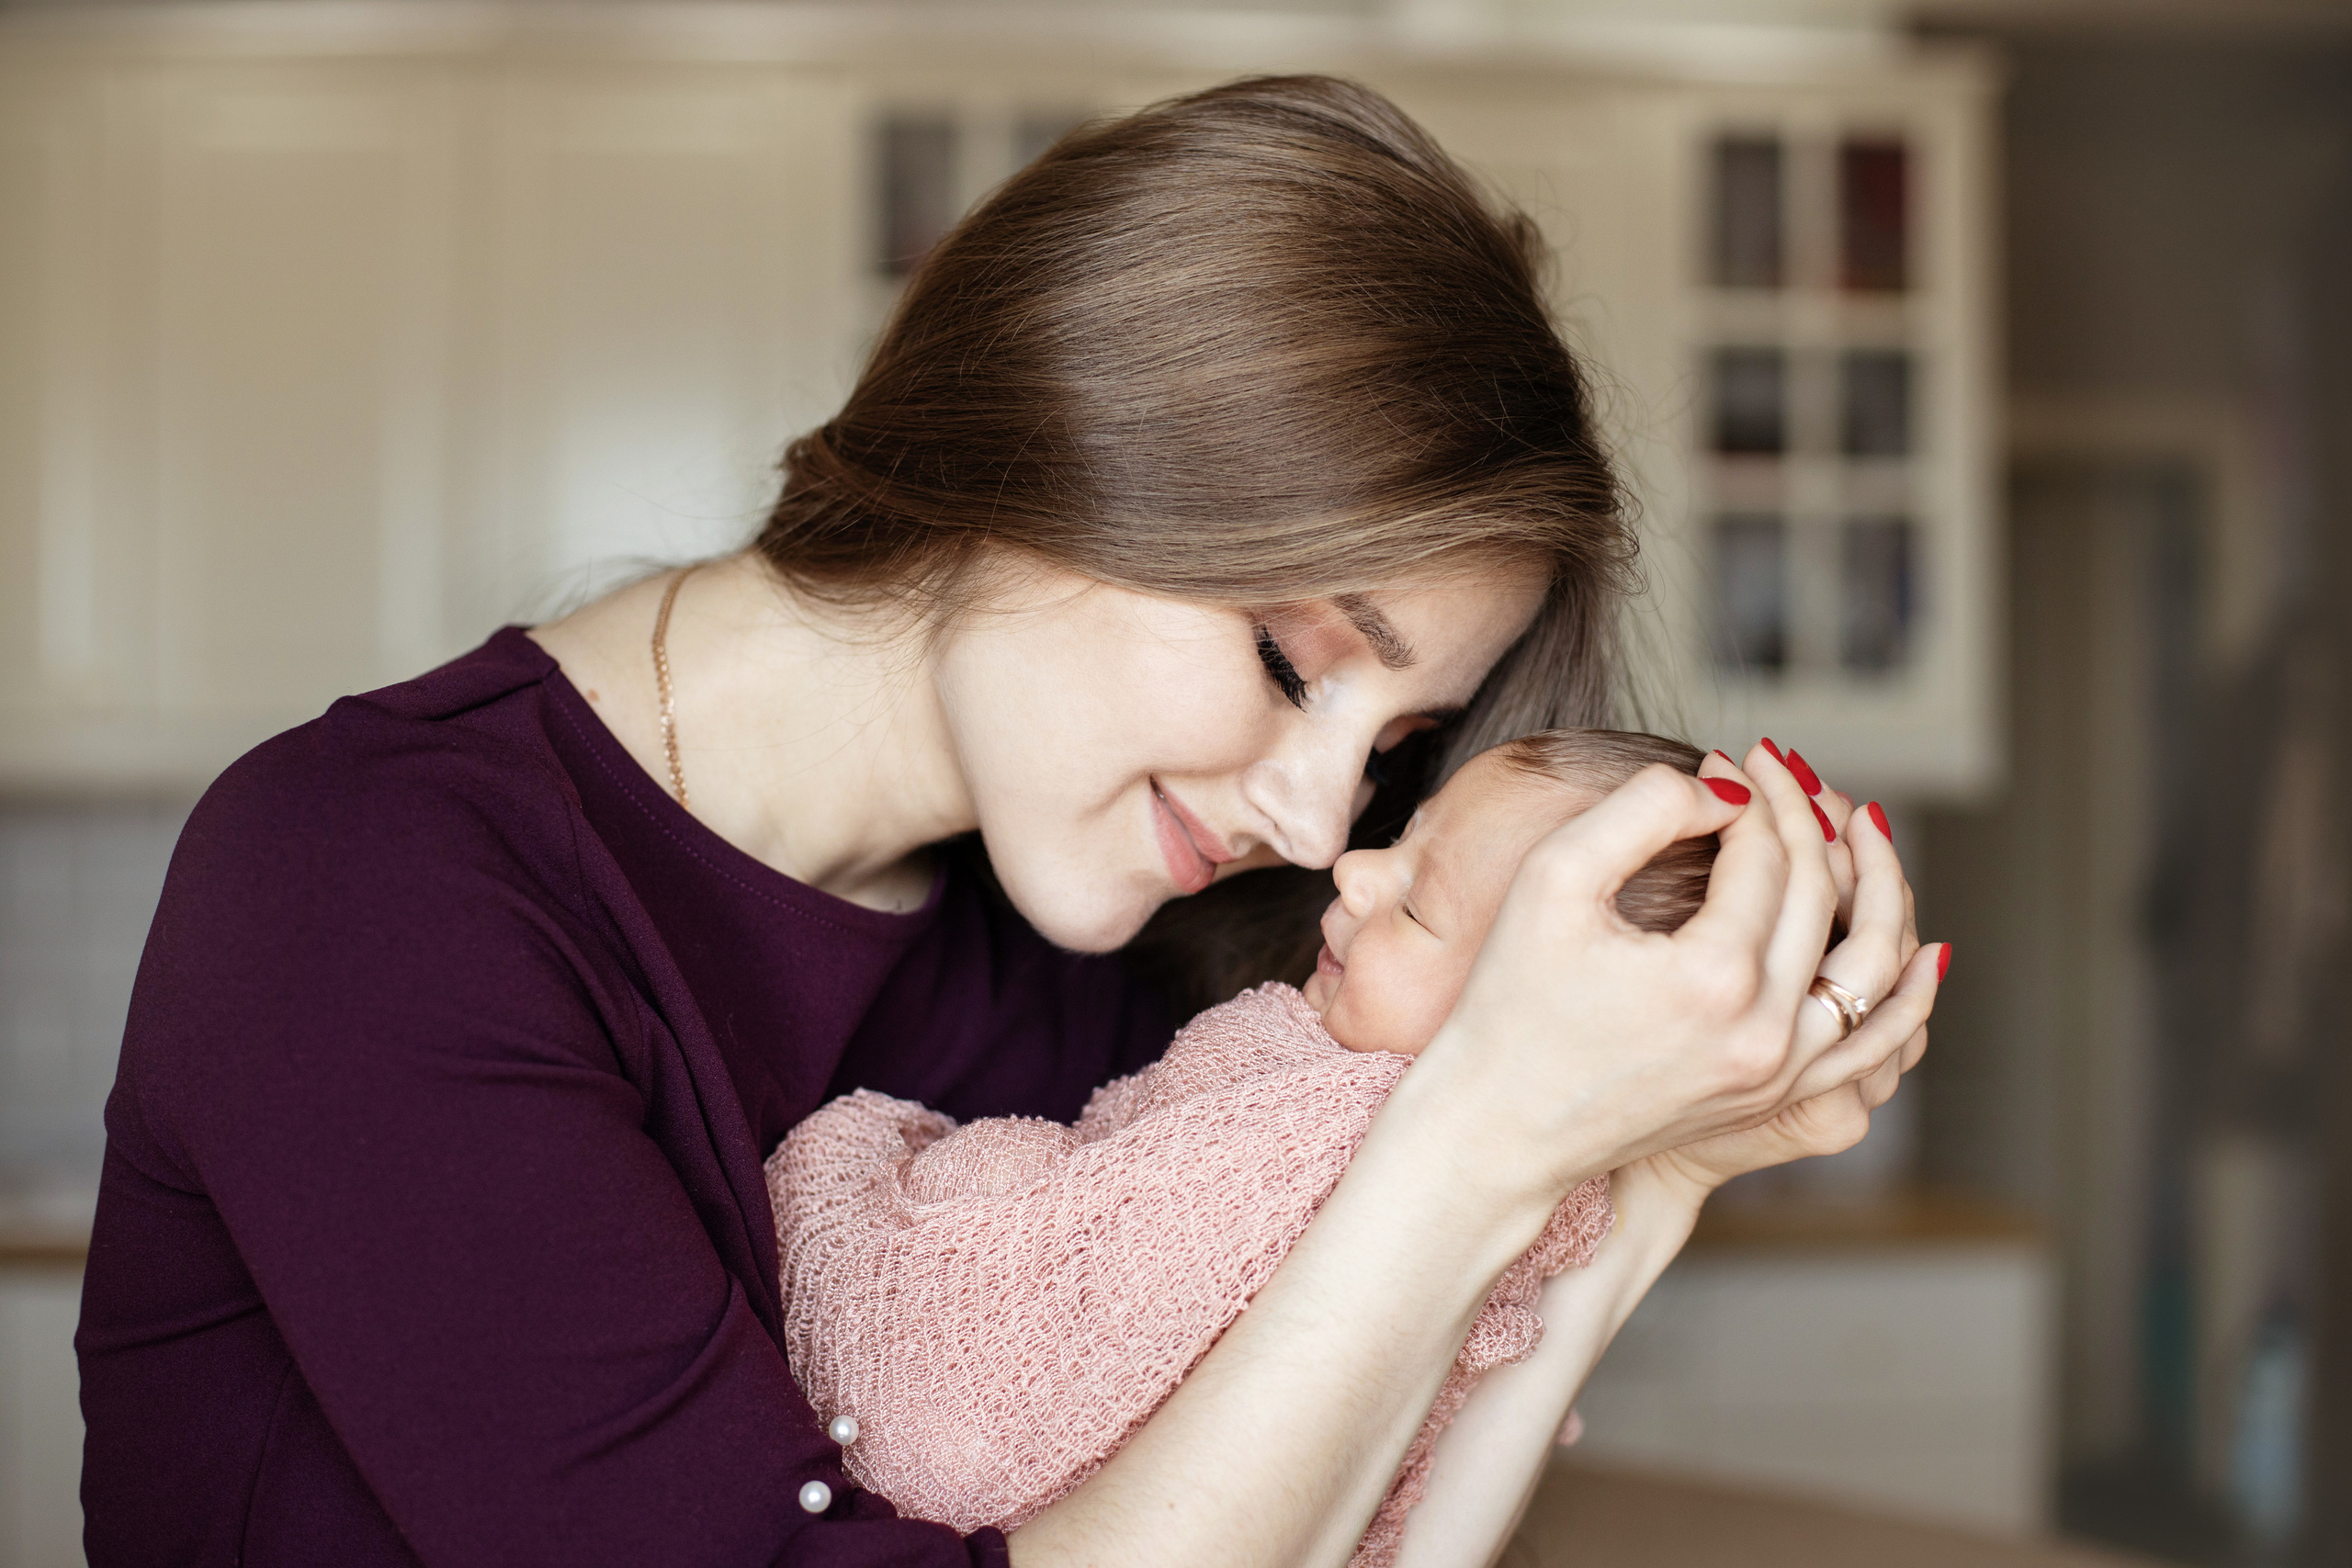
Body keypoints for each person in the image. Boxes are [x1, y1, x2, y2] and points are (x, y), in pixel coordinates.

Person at [77, 75, 1940, 1568]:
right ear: (1053, 435)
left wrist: (1634, 1186)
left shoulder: (1117, 978)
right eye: (1295, 659)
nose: (1314, 814)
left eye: (1396, 746)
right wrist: (1475, 1140)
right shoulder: (365, 888)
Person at [767, 730, 1722, 1567]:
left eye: (1419, 908)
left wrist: (928, 1172)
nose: (1353, 868)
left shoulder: (1324, 1122)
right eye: (1400, 839)